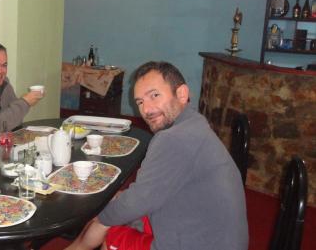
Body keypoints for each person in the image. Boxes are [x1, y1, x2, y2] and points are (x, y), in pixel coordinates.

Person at [65, 61, 248, 250]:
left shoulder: (174, 139)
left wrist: (101, 218)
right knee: (117, 206)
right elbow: (146, 193)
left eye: (154, 95)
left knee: (109, 231)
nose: (146, 109)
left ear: (182, 94)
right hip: (212, 232)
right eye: (140, 102)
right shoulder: (195, 123)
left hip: (197, 243)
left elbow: (135, 202)